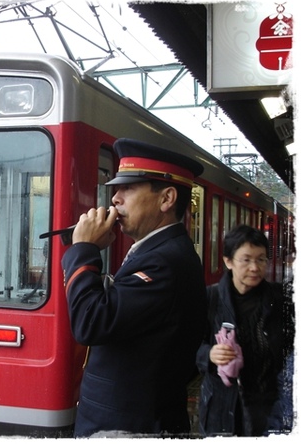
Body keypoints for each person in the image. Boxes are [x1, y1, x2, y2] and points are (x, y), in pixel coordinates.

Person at [61, 138, 207, 437]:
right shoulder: (161, 252)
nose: (115, 199)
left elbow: (91, 323)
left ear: (166, 199)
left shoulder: (163, 263)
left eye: (127, 188)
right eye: (116, 189)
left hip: (128, 428)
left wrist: (84, 250)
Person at [196, 224, 295, 436]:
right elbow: (187, 346)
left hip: (267, 408)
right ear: (228, 261)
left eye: (261, 259)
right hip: (220, 409)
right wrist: (209, 354)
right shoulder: (210, 299)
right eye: (246, 260)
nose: (255, 267)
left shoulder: (281, 301)